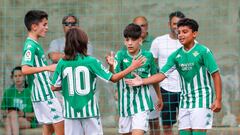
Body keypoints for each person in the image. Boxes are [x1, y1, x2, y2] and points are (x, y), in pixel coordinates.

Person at [125, 18, 222, 135]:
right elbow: (161, 75)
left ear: (195, 33)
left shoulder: (203, 51)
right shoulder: (175, 55)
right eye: (179, 32)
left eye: (185, 32)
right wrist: (142, 81)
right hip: (185, 101)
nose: (181, 35)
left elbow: (215, 75)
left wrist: (218, 99)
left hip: (202, 100)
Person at [50, 27, 145, 135]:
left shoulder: (62, 63)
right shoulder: (91, 61)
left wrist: (71, 84)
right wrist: (132, 67)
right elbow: (113, 78)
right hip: (90, 111)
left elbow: (54, 87)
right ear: (83, 42)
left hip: (70, 112)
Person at [107, 23, 163, 135]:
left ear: (140, 40)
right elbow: (114, 76)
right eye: (127, 40)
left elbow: (154, 78)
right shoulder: (120, 55)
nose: (130, 43)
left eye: (133, 40)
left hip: (141, 105)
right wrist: (111, 65)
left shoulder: (148, 56)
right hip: (124, 105)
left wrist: (159, 97)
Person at [21, 10, 64, 135]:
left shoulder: (35, 44)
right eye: (44, 24)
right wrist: (48, 68)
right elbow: (25, 69)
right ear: (34, 26)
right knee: (61, 124)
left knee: (49, 127)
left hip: (43, 93)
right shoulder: (30, 45)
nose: (47, 28)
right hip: (45, 94)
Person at [150, 11, 185, 135]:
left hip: (185, 90)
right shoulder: (158, 42)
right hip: (166, 89)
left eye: (180, 24)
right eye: (174, 23)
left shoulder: (189, 42)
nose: (177, 26)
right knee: (167, 124)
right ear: (169, 24)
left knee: (186, 124)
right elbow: (152, 65)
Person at [1, 66, 38, 135]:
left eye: (20, 75)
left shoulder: (30, 92)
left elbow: (38, 114)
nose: (17, 78)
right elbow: (2, 110)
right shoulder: (8, 92)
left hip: (27, 120)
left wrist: (23, 114)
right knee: (12, 114)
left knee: (10, 119)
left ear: (24, 77)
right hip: (10, 118)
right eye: (15, 76)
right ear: (12, 78)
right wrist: (7, 112)